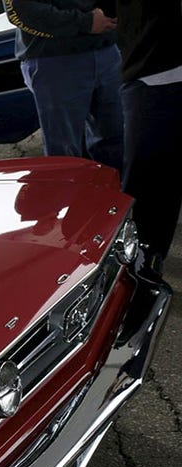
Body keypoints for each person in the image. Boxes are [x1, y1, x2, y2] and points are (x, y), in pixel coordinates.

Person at [4, 0, 123, 172]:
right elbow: (22, 12)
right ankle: (71, 199)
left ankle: (116, 196)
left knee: (117, 142)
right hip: (57, 60)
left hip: (106, 51)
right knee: (64, 154)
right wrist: (86, 22)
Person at [113, 0, 182, 275]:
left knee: (168, 184)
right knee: (148, 186)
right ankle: (134, 271)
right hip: (152, 77)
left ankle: (150, 262)